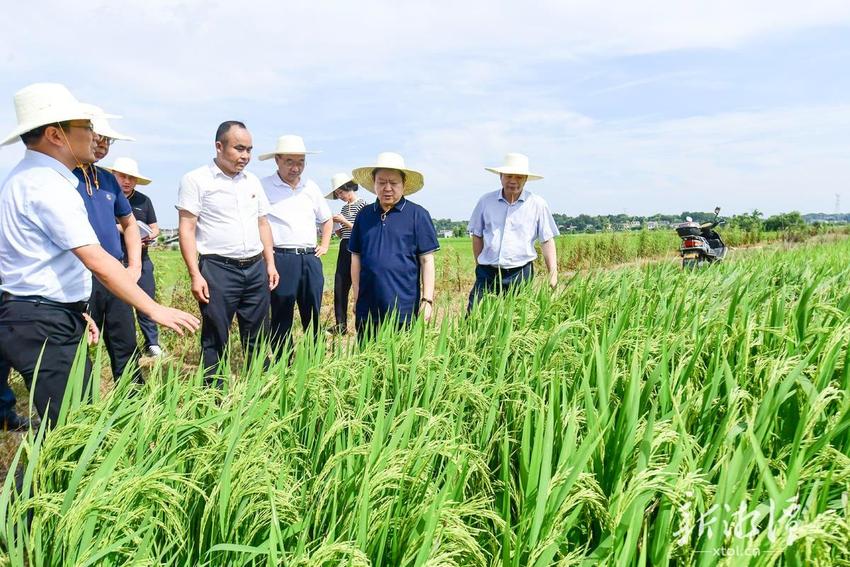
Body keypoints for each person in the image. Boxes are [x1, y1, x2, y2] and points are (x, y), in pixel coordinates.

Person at [0, 83, 199, 427]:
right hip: (42, 321)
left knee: (72, 415)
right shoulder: (45, 185)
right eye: (87, 128)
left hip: (45, 313)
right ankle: (46, 481)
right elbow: (96, 259)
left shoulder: (37, 178)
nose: (94, 136)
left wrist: (74, 309)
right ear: (55, 135)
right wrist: (152, 308)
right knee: (72, 428)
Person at [177, 121, 279, 382]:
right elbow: (187, 228)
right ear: (219, 146)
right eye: (239, 149)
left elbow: (262, 223)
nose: (245, 156)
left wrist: (270, 263)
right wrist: (194, 275)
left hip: (255, 268)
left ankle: (260, 391)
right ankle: (213, 397)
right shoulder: (196, 180)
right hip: (218, 270)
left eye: (249, 150)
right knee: (215, 337)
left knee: (258, 335)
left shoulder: (252, 181)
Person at [72, 108, 145, 383]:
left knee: (125, 340)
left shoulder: (108, 179)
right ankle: (81, 412)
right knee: (79, 347)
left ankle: (134, 405)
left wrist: (134, 265)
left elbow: (130, 224)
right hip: (79, 275)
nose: (102, 145)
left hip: (114, 273)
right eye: (98, 138)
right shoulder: (63, 177)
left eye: (108, 141)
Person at [349, 152, 439, 339]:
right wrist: (357, 297)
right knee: (367, 360)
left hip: (404, 309)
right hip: (368, 307)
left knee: (401, 363)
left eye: (394, 183)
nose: (387, 188)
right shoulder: (364, 215)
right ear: (374, 184)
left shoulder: (417, 215)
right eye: (381, 182)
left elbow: (426, 260)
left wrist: (427, 300)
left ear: (403, 185)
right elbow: (356, 257)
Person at [258, 135, 332, 348]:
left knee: (314, 311)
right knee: (281, 312)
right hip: (280, 258)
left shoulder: (311, 187)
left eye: (300, 162)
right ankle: (283, 361)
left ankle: (314, 357)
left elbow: (326, 219)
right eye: (289, 161)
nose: (295, 167)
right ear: (277, 160)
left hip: (309, 258)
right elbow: (258, 222)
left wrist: (325, 245)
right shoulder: (263, 186)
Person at [467, 153, 559, 311]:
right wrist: (479, 264)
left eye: (519, 177)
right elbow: (477, 235)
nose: (513, 181)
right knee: (475, 316)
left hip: (520, 273)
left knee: (516, 319)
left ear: (526, 179)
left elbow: (547, 240)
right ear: (501, 176)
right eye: (509, 176)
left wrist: (553, 274)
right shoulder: (485, 202)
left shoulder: (537, 204)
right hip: (488, 274)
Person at [106, 157, 163, 357]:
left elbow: (155, 227)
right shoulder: (106, 197)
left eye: (131, 178)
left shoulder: (143, 201)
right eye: (123, 176)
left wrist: (149, 235)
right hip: (114, 260)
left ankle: (152, 343)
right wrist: (128, 230)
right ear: (114, 175)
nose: (127, 181)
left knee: (147, 299)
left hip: (143, 259)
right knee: (119, 305)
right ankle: (124, 347)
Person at [325, 173, 365, 334]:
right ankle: (340, 324)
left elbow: (363, 231)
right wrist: (336, 227)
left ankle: (362, 322)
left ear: (348, 188)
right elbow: (344, 234)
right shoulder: (343, 208)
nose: (340, 196)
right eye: (337, 194)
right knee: (340, 285)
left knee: (360, 286)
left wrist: (344, 221)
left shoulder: (362, 205)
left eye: (341, 192)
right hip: (344, 246)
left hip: (358, 249)